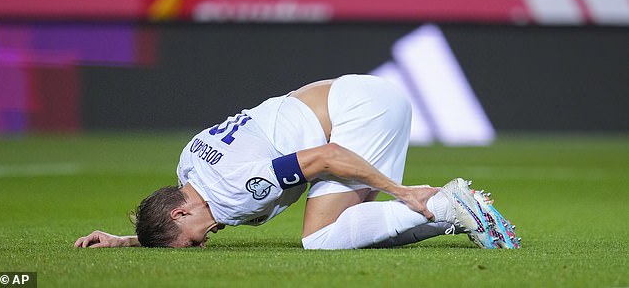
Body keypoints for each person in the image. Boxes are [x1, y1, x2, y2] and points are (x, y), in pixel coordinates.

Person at [75, 74, 519, 250]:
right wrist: (129, 240)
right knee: (353, 231)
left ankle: (447, 206)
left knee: (321, 239)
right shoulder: (189, 168)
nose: (203, 243)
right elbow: (185, 219)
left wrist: (400, 190)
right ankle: (461, 215)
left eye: (192, 241)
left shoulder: (234, 189)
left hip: (358, 111)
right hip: (354, 96)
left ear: (179, 210)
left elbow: (325, 157)